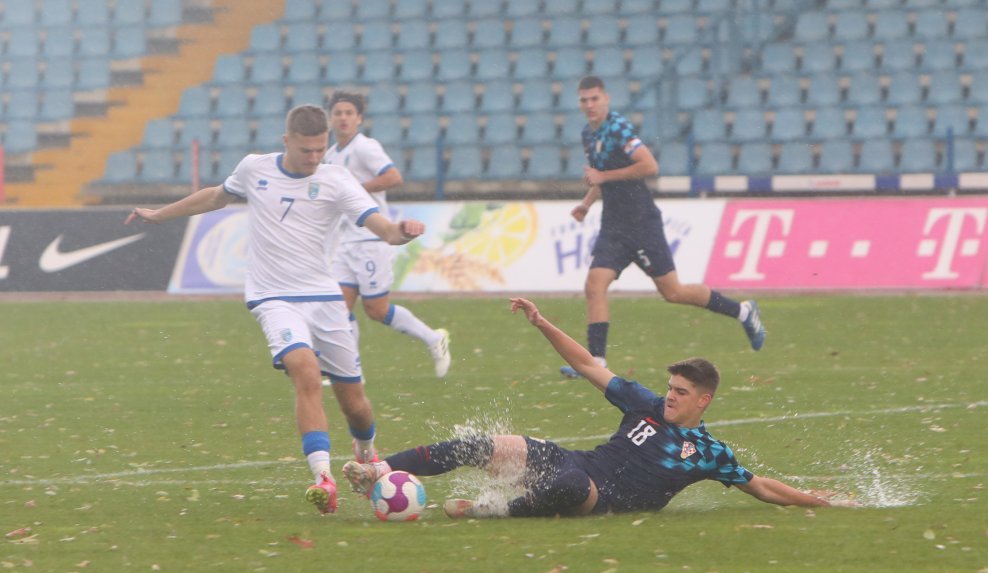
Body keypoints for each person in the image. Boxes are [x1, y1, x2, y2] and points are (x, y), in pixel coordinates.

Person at [126, 104, 426, 515]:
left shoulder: (337, 180)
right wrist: (161, 214)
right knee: (303, 368)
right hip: (273, 297)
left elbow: (383, 228)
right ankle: (323, 478)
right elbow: (216, 195)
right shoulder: (255, 169)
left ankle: (368, 455)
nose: (314, 158)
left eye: (320, 150)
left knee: (353, 402)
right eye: (306, 150)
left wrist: (402, 233)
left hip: (324, 299)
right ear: (286, 141)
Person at [342, 297, 842, 518]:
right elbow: (586, 364)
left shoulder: (708, 452)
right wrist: (542, 323)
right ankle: (377, 469)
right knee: (481, 446)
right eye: (670, 387)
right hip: (577, 462)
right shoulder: (644, 404)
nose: (669, 395)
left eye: (681, 392)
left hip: (594, 496)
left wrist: (813, 499)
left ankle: (493, 510)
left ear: (703, 400)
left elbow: (759, 486)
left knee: (567, 487)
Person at [561, 75, 766, 379]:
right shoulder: (588, 134)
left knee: (674, 292)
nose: (589, 105)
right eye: (584, 100)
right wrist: (587, 202)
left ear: (606, 99)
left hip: (642, 222)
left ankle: (743, 312)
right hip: (613, 225)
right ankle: (597, 362)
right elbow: (601, 175)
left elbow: (649, 166)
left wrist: (602, 179)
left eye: (594, 99)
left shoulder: (619, 128)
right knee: (594, 285)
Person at [324, 90, 450, 380]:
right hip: (345, 242)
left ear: (359, 118)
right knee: (338, 307)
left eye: (348, 113)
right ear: (331, 119)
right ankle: (350, 371)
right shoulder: (331, 156)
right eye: (338, 113)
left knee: (376, 310)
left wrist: (355, 191)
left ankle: (434, 339)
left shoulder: (365, 147)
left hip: (372, 239)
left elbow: (393, 177)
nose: (343, 117)